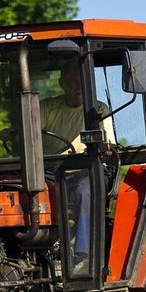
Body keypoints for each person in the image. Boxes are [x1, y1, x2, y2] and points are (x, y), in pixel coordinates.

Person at [37, 61, 108, 274]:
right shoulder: (47, 108)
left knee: (85, 189)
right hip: (49, 170)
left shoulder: (97, 109)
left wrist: (105, 147)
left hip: (83, 169)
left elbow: (107, 144)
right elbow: (29, 133)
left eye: (81, 81)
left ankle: (83, 254)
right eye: (72, 81)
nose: (77, 86)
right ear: (61, 83)